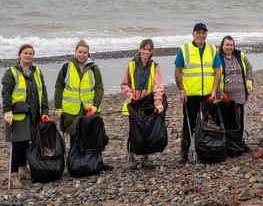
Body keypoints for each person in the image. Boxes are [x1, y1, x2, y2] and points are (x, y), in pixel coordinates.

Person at [54, 39, 112, 170]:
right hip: (71, 110)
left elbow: (99, 88)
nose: (82, 54)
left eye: (84, 53)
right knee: (74, 137)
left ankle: (97, 162)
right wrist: (58, 107)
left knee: (92, 136)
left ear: (88, 54)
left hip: (89, 109)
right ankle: (75, 164)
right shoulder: (66, 67)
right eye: (79, 52)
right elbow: (59, 87)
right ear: (75, 52)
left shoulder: (94, 68)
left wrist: (95, 105)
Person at [2, 44, 49, 189]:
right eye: (25, 53)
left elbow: (44, 92)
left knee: (27, 142)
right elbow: (6, 93)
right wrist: (7, 111)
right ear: (20, 55)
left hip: (34, 114)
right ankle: (13, 174)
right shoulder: (11, 73)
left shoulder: (37, 72)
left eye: (31, 53)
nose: (28, 55)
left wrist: (45, 110)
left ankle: (23, 169)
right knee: (18, 143)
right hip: (18, 115)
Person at [174, 23, 222, 163]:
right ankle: (184, 153)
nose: (201, 35)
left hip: (207, 95)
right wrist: (181, 90)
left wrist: (214, 90)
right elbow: (177, 71)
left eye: (203, 33)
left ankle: (206, 149)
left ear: (206, 34)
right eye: (198, 32)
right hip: (190, 95)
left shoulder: (212, 50)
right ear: (193, 34)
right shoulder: (184, 50)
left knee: (208, 123)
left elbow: (217, 71)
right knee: (188, 124)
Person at [121, 39, 165, 169]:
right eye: (144, 49)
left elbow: (158, 87)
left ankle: (145, 157)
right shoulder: (131, 65)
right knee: (134, 131)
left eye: (149, 50)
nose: (146, 52)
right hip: (134, 104)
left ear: (152, 52)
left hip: (147, 104)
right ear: (140, 49)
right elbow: (124, 84)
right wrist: (130, 95)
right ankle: (130, 156)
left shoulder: (155, 66)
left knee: (146, 130)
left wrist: (158, 103)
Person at [217, 35, 254, 146]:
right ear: (222, 46)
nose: (229, 47)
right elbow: (215, 76)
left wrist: (249, 81)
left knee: (239, 120)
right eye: (227, 45)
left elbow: (249, 68)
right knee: (228, 121)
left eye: (231, 45)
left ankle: (239, 142)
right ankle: (228, 144)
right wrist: (220, 92)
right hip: (225, 97)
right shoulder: (217, 57)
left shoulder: (240, 55)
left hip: (240, 95)